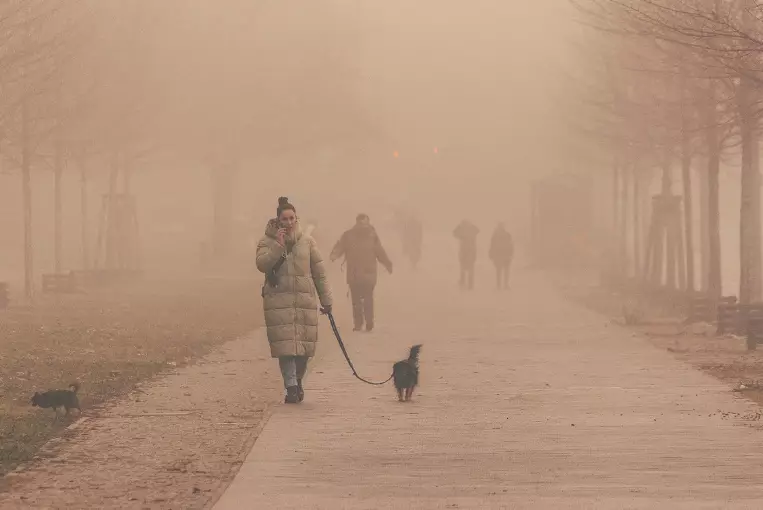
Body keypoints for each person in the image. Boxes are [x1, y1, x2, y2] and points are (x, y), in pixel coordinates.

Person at [256, 197, 333, 404]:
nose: (288, 223)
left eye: (292, 218)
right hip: (278, 302)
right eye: (284, 219)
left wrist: (326, 300)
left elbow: (319, 273)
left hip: (304, 301)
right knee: (286, 349)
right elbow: (262, 264)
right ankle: (290, 386)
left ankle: (297, 380)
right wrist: (278, 247)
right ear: (278, 221)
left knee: (304, 350)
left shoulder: (307, 242)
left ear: (296, 219)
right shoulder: (266, 241)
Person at [330, 213, 392, 332]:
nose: (362, 225)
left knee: (360, 299)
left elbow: (379, 251)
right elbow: (340, 247)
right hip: (361, 273)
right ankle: (364, 323)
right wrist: (334, 254)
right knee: (362, 298)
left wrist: (387, 263)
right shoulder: (356, 235)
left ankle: (364, 323)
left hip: (360, 273)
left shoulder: (359, 235)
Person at [453, 219, 479, 289]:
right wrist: (469, 225)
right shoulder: (471, 230)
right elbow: (477, 230)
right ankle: (469, 283)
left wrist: (461, 226)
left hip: (465, 251)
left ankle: (464, 281)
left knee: (464, 266)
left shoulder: (464, 231)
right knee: (469, 267)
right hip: (470, 251)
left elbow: (455, 233)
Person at [489, 222, 514, 290]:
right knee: (504, 270)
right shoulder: (507, 235)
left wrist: (491, 254)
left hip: (500, 255)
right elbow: (511, 245)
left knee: (499, 270)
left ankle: (500, 285)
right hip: (503, 255)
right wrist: (511, 253)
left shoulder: (496, 235)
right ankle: (504, 285)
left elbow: (492, 245)